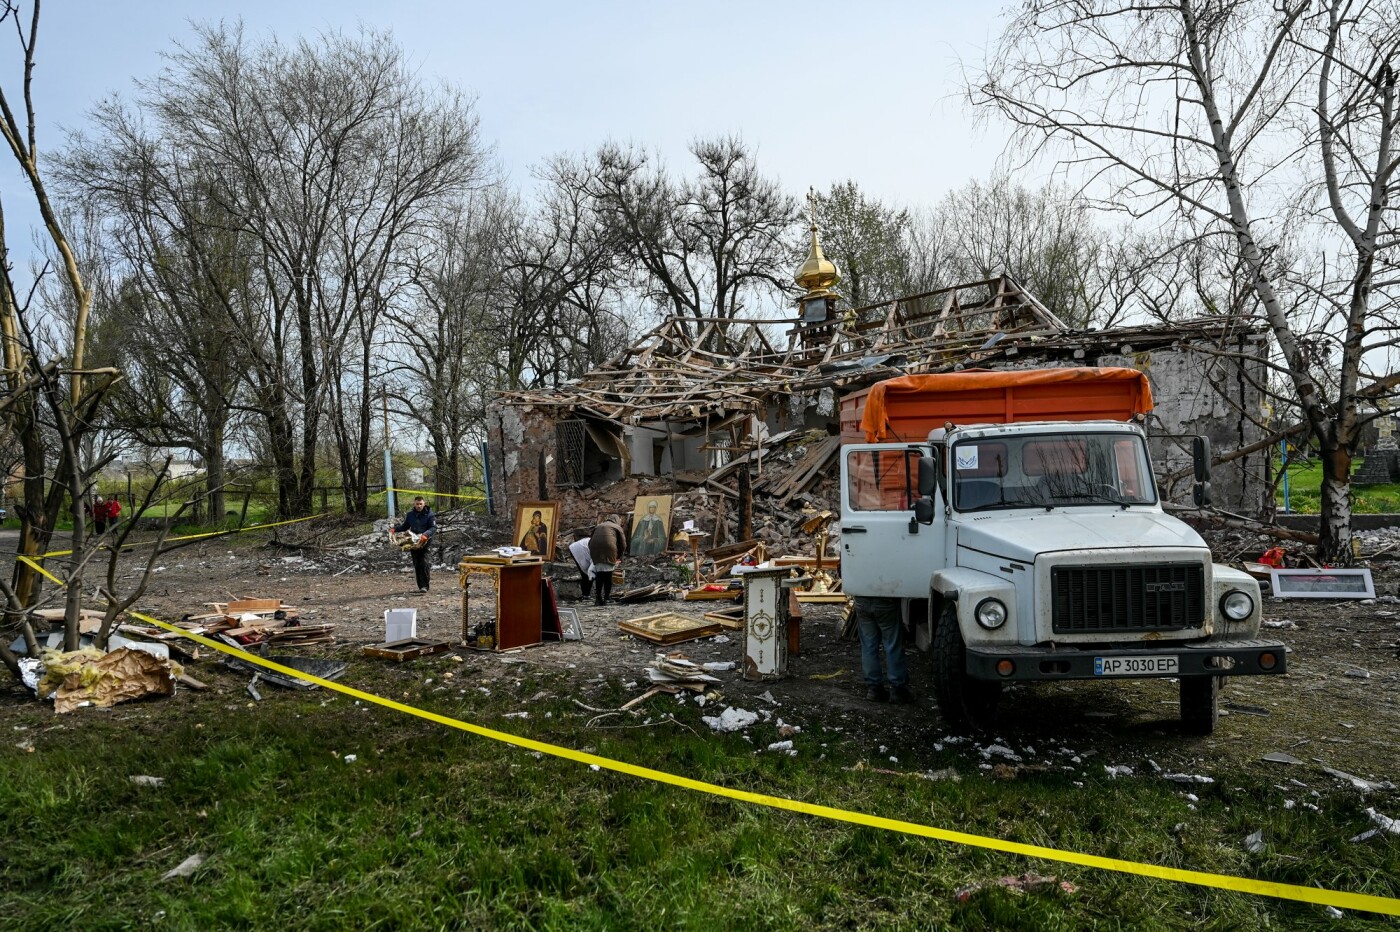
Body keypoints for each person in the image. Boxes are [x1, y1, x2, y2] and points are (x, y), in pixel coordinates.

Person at [854, 596, 911, 703]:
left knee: (868, 646)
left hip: (861, 600)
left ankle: (874, 689)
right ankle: (897, 690)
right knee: (892, 645)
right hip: (886, 599)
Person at [392, 496, 436, 592]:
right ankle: (420, 586)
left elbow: (433, 528)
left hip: (425, 541)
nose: (419, 506)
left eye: (421, 504)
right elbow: (405, 526)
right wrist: (394, 529)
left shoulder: (430, 515)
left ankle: (425, 586)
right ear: (414, 504)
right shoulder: (410, 515)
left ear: (424, 504)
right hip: (413, 542)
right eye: (417, 504)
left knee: (424, 563)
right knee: (417, 564)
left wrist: (425, 535)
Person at [588, 513, 626, 605]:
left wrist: (594, 555)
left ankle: (598, 598)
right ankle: (607, 597)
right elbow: (623, 544)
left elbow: (590, 541)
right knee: (608, 576)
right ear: (617, 520)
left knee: (599, 575)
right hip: (609, 549)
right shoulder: (617, 527)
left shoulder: (598, 526)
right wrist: (619, 556)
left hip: (595, 549)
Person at [568, 534, 594, 600]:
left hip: (580, 548)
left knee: (588, 573)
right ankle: (585, 595)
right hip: (578, 550)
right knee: (587, 573)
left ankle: (586, 594)